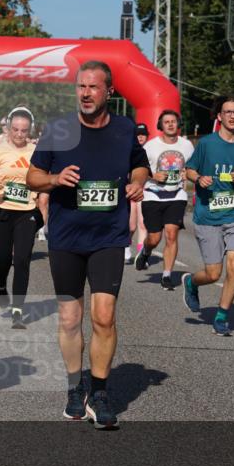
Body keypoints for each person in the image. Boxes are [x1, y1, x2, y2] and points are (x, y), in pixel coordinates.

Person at [26, 60, 150, 429]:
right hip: (66, 237)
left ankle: (99, 391)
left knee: (104, 316)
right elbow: (32, 177)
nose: (85, 93)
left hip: (109, 236)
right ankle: (73, 386)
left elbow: (139, 165)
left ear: (109, 91)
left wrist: (138, 182)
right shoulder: (59, 129)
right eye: (81, 86)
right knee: (69, 318)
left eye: (93, 87)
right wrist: (54, 178)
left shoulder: (125, 128)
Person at [182, 94, 234, 337]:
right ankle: (191, 283)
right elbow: (189, 170)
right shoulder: (207, 144)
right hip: (208, 215)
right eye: (227, 111)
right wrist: (199, 178)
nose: (232, 115)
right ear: (220, 116)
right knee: (213, 273)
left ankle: (221, 315)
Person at [0, 107, 42, 329]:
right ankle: (1, 287)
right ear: (9, 128)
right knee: (2, 260)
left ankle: (18, 310)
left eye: (24, 130)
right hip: (1, 211)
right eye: (16, 129)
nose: (20, 134)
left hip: (27, 211)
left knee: (21, 260)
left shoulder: (37, 151)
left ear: (30, 130)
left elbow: (43, 178)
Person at [134, 111, 194, 290]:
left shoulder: (187, 145)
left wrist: (189, 173)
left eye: (173, 121)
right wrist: (153, 175)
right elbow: (139, 168)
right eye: (166, 122)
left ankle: (167, 274)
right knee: (154, 237)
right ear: (161, 126)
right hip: (153, 194)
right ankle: (146, 251)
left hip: (177, 194)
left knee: (171, 234)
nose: (170, 124)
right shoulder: (150, 147)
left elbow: (193, 166)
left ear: (178, 124)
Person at [125, 123, 150, 264]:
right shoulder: (130, 149)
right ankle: (126, 245)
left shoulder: (151, 148)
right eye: (138, 134)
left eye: (143, 134)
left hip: (147, 191)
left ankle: (141, 255)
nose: (141, 137)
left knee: (143, 223)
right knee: (131, 225)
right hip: (130, 190)